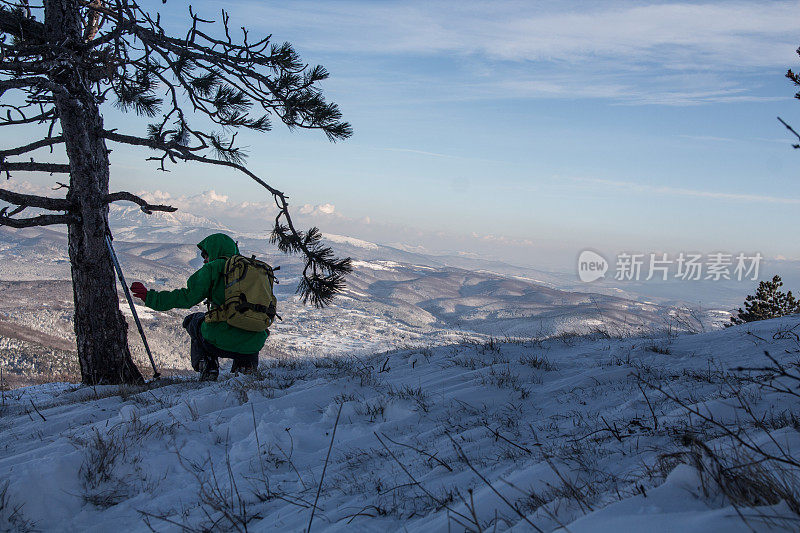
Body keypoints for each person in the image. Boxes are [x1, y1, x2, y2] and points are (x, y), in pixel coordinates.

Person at [130, 233, 268, 381]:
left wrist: (150, 297)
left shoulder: (213, 268)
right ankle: (246, 367)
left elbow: (186, 297)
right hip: (255, 342)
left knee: (193, 321)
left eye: (205, 255)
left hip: (221, 339)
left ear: (215, 251)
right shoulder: (256, 270)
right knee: (247, 325)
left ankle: (208, 367)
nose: (204, 260)